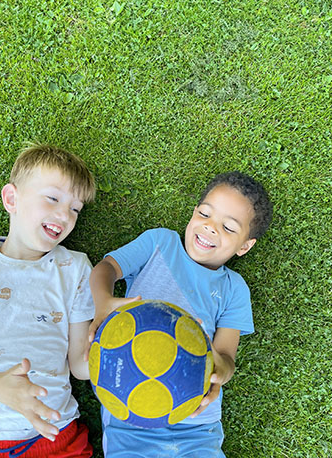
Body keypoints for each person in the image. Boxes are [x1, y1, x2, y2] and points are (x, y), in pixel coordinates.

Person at [87, 171, 272, 457]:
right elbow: (106, 268)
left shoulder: (234, 289)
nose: (210, 228)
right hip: (131, 419)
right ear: (193, 212)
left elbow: (226, 358)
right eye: (205, 214)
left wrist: (218, 371)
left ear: (245, 246)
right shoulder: (159, 243)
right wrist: (103, 302)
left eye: (229, 227)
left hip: (197, 424)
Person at [0, 144, 98, 458]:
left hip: (57, 437)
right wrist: (3, 390)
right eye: (53, 198)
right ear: (11, 198)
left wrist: (128, 353)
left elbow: (80, 364)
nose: (65, 215)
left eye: (75, 208)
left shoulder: (76, 268)